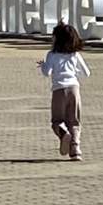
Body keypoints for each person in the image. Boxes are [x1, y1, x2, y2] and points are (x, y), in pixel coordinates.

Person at [37, 22, 90, 161]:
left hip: (59, 90)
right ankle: (75, 149)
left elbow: (46, 72)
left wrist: (43, 65)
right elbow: (86, 73)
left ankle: (63, 134)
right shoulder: (75, 55)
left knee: (57, 121)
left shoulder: (51, 55)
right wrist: (73, 71)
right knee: (74, 122)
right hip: (74, 89)